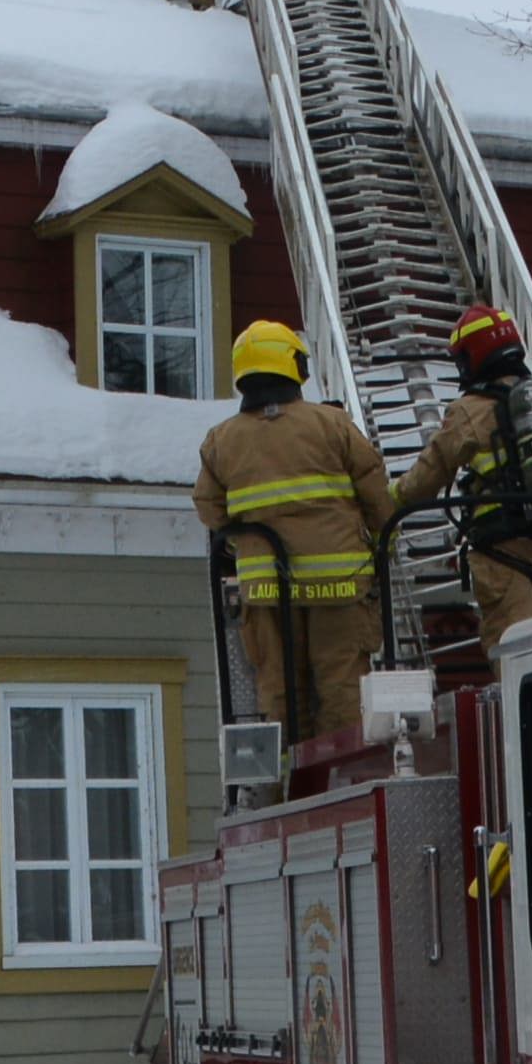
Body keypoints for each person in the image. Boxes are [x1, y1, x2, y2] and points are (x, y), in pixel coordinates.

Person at [193, 319, 396, 746]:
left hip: (267, 592)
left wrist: (243, 544)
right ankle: (341, 773)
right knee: (341, 690)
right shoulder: (333, 425)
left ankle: (289, 784)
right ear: (293, 366)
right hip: (339, 587)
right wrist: (384, 543)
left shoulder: (221, 440)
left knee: (281, 692)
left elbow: (209, 508)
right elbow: (375, 490)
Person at [393, 306, 532, 648]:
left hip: (503, 548)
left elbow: (428, 475)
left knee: (516, 648)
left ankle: (525, 702)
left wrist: (390, 501)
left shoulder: (468, 411)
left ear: (473, 356)